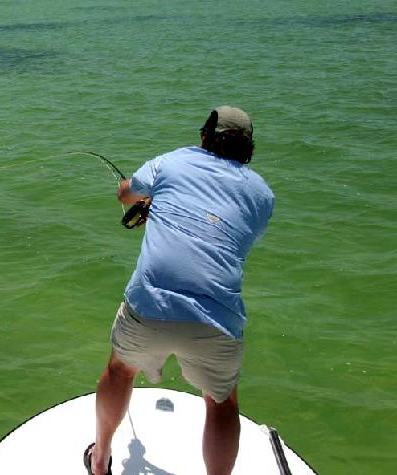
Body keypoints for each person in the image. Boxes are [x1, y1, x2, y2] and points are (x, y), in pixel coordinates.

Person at [84, 106, 274, 475]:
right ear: (248, 149)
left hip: (149, 307)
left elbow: (126, 195)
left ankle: (100, 460)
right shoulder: (262, 196)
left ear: (204, 136)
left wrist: (144, 200)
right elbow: (223, 231)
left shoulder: (170, 163)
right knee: (221, 401)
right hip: (216, 318)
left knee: (120, 370)